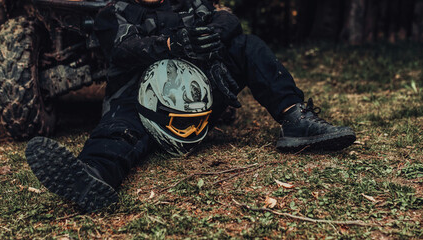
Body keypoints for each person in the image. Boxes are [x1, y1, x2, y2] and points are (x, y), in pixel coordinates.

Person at [25, 0, 356, 212]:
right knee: (119, 128)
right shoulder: (113, 13)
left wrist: (209, 37)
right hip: (143, 104)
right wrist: (172, 43)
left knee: (248, 46)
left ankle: (294, 117)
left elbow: (229, 20)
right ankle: (94, 173)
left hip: (199, 103)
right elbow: (124, 50)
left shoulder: (192, 4)